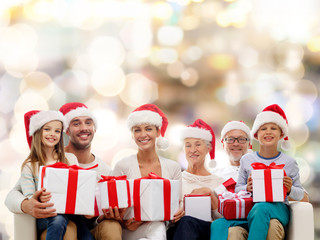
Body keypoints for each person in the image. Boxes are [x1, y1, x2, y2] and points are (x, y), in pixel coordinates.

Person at [210, 104, 305, 240]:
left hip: (279, 209)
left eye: (273, 128)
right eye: (263, 129)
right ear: (256, 135)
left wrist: (289, 190)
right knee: (219, 224)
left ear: (281, 134)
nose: (268, 132)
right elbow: (238, 188)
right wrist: (247, 188)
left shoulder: (289, 162)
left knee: (262, 208)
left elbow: (301, 194)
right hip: (251, 209)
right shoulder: (247, 160)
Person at [112, 103, 182, 240]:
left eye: (148, 129)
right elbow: (112, 205)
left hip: (162, 229)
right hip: (130, 230)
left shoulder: (173, 167)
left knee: (157, 227)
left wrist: (180, 211)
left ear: (158, 132)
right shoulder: (122, 166)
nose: (143, 135)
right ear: (132, 135)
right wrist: (124, 223)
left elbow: (178, 204)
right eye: (137, 130)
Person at [20, 110, 92, 239]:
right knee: (58, 219)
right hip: (46, 214)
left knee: (87, 236)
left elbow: (78, 187)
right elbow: (29, 197)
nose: (52, 134)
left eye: (57, 131)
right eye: (47, 129)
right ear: (38, 132)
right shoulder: (30, 166)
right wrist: (39, 198)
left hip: (71, 212)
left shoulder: (70, 159)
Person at [59, 102, 122, 240]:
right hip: (62, 225)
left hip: (91, 227)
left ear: (94, 128)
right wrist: (26, 204)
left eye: (88, 123)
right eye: (76, 123)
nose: (84, 128)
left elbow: (96, 217)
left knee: (112, 226)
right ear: (67, 130)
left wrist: (103, 217)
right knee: (68, 230)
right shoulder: (55, 160)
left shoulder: (105, 170)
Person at [212, 120, 285, 240]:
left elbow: (297, 195)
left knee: (270, 224)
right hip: (232, 221)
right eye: (230, 139)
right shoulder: (215, 174)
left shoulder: (265, 165)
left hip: (263, 217)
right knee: (230, 232)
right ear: (223, 144)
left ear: (249, 144)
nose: (236, 144)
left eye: (241, 139)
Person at [167, 119, 225, 240]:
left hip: (206, 232)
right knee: (185, 222)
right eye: (188, 145)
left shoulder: (219, 182)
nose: (193, 150)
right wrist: (176, 214)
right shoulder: (175, 180)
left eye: (198, 144)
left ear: (208, 148)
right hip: (177, 230)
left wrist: (209, 194)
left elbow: (222, 220)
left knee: (188, 221)